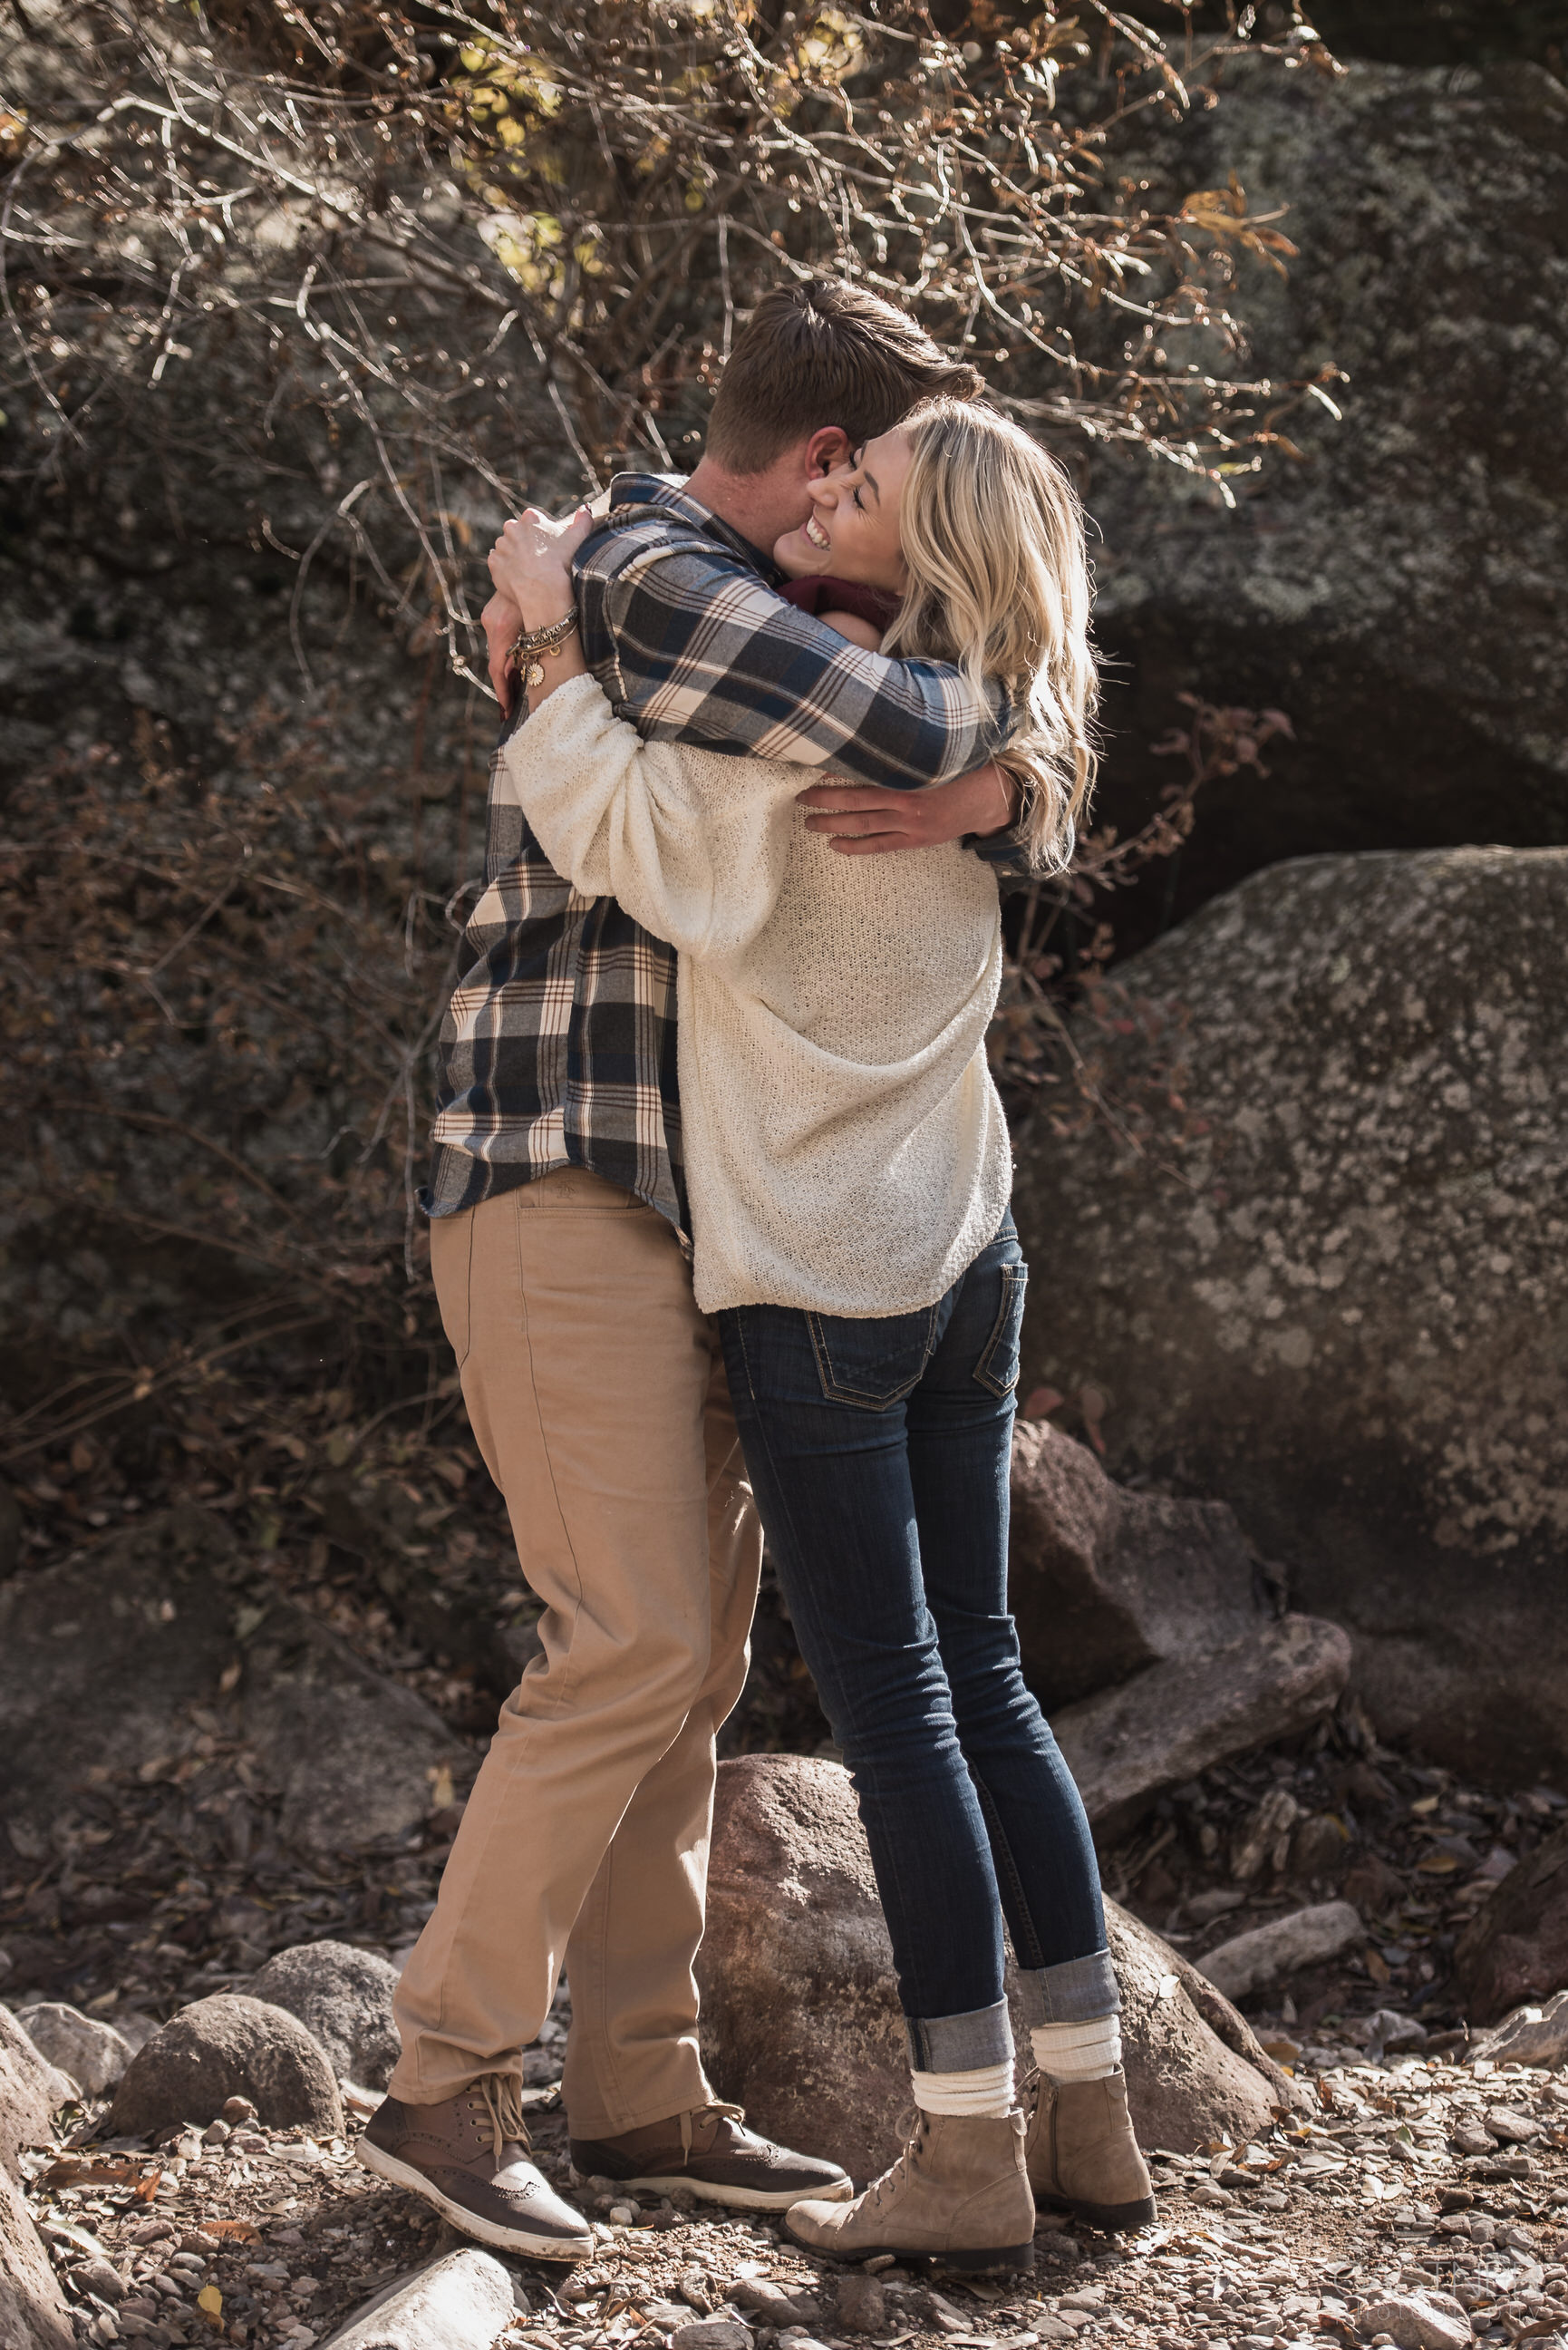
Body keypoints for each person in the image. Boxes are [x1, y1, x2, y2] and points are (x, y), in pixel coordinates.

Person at [358, 280, 1034, 2261]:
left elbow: (1019, 669)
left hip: (713, 1204)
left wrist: (1024, 787)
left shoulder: (757, 600)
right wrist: (986, 757)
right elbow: (945, 698)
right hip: (556, 1156)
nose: (889, 527)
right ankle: (438, 2081)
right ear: (830, 461)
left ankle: (640, 2087)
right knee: (633, 1639)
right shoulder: (646, 570)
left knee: (692, 1668)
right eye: (891, 480)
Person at [485, 398, 1155, 2273]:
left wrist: (544, 637)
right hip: (966, 1256)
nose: (828, 490)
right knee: (994, 1681)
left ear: (918, 547)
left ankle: (959, 2147)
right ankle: (1090, 2112)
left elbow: (616, 827)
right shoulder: (985, 721)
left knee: (904, 1713)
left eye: (864, 488)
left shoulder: (812, 746)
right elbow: (1037, 776)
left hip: (823, 1293)